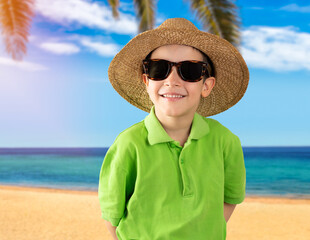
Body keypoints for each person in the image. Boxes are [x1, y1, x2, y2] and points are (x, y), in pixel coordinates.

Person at [98, 18, 249, 240]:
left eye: (189, 70)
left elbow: (230, 197)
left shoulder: (225, 141)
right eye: (159, 69)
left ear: (206, 85)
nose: (172, 81)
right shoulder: (128, 143)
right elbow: (112, 217)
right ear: (146, 81)